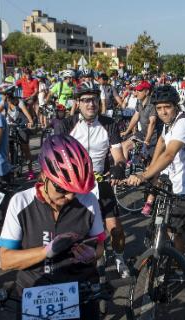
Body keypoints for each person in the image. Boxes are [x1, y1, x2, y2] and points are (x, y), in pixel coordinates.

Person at [0, 135, 106, 319]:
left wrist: (92, 254)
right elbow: (6, 260)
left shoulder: (89, 201)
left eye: (75, 190)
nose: (70, 197)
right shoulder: (20, 201)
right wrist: (46, 251)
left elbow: (100, 246)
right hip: (34, 294)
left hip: (79, 293)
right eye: (62, 189)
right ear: (43, 175)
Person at [125, 85, 185, 297]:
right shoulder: (169, 124)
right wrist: (151, 173)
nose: (163, 111)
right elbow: (161, 146)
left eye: (167, 107)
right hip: (177, 188)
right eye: (159, 108)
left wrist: (144, 176)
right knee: (176, 231)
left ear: (176, 106)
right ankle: (180, 264)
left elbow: (169, 154)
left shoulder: (183, 122)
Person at [53, 81, 130, 279]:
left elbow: (118, 154)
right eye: (86, 100)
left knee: (116, 230)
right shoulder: (66, 125)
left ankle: (120, 257)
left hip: (100, 182)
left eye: (94, 100)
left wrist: (119, 166)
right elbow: (57, 156)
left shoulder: (108, 124)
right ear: (77, 103)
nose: (91, 104)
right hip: (73, 186)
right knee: (74, 234)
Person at [0, 84, 35, 180]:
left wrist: (30, 122)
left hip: (21, 126)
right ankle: (9, 169)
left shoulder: (19, 102)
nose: (0, 95)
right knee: (7, 149)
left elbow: (27, 114)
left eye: (2, 94)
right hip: (9, 127)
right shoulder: (3, 102)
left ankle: (30, 171)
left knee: (26, 149)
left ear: (7, 94)